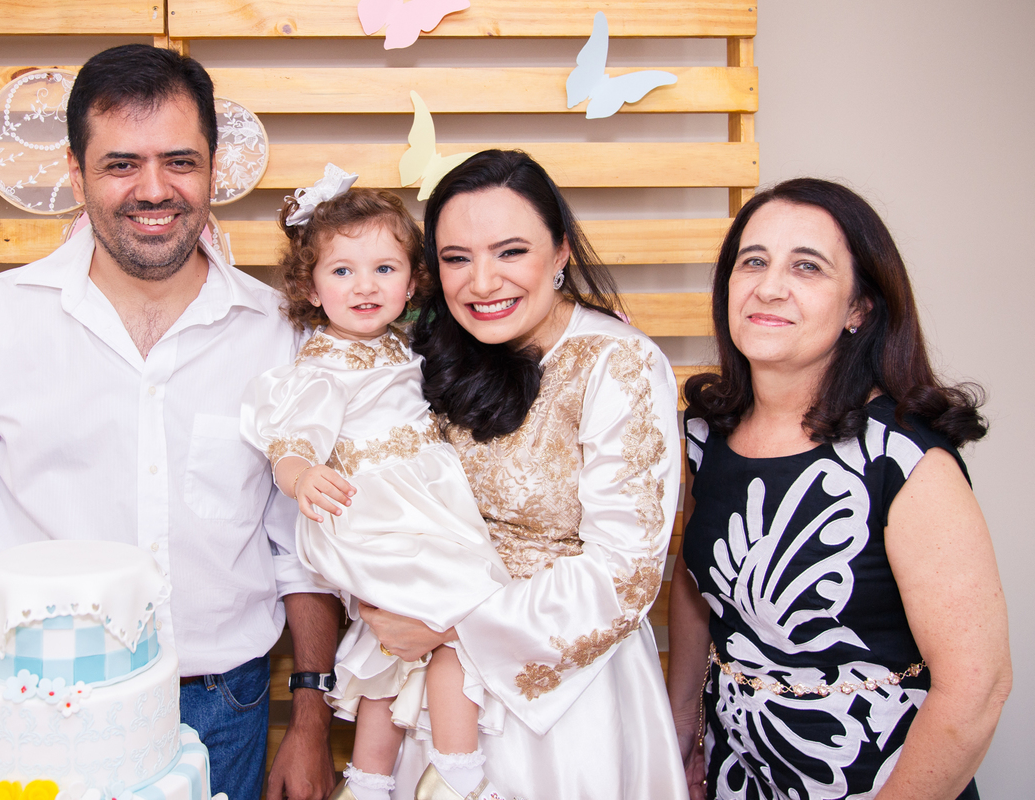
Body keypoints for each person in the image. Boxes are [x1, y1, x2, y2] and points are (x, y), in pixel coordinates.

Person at [0, 44, 341, 800]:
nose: (154, 189)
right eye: (121, 163)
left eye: (180, 162)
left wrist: (312, 719)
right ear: (75, 170)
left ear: (214, 169)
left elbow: (303, 548)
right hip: (37, 713)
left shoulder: (277, 331)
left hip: (226, 707)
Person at [355, 149, 689, 799]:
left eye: (510, 252)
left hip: (566, 699)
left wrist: (451, 622)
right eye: (456, 258)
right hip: (428, 690)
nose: (481, 283)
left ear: (561, 251)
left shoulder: (617, 364)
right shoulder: (424, 356)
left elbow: (627, 575)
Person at [665, 178, 1011, 800]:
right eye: (753, 261)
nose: (770, 286)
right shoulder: (704, 435)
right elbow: (700, 592)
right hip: (738, 770)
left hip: (876, 778)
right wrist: (682, 727)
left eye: (807, 267)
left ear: (859, 309)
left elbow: (978, 686)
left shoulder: (902, 456)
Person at [242, 184, 515, 800]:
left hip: (419, 509)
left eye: (384, 269)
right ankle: (460, 774)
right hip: (375, 516)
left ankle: (367, 781)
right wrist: (301, 477)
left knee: (386, 647)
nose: (365, 287)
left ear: (412, 281)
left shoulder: (400, 344)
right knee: (459, 621)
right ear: (311, 288)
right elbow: (288, 441)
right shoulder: (320, 368)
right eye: (342, 271)